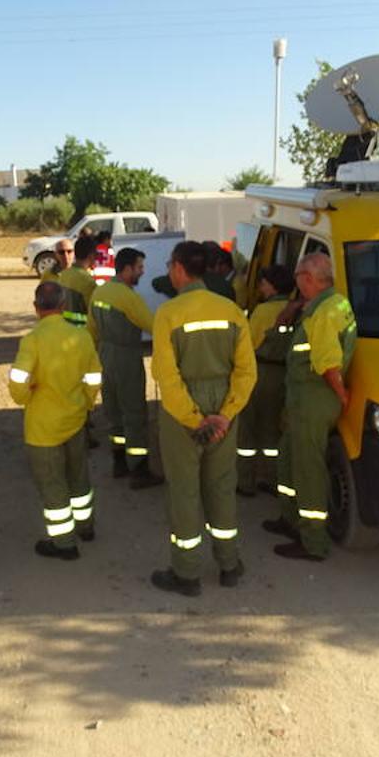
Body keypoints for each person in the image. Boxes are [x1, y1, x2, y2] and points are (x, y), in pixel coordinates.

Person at [148, 241, 257, 596]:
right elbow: (246, 372)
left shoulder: (168, 314)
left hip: (185, 410)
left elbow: (166, 375)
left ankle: (187, 573)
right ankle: (229, 564)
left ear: (180, 268)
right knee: (222, 486)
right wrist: (224, 415)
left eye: (169, 265)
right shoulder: (231, 310)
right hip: (224, 403)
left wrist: (195, 418)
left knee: (184, 490)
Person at [266, 253, 357, 562]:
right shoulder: (334, 304)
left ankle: (312, 542)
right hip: (304, 398)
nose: (297, 284)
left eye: (298, 278)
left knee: (308, 470)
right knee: (288, 459)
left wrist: (341, 396)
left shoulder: (322, 314)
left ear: (307, 278)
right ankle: (290, 520)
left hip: (313, 398)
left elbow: (329, 364)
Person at [8, 281, 103, 560]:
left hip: (43, 427)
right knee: (78, 477)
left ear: (36, 308)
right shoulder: (82, 337)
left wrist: (26, 397)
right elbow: (94, 377)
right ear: (63, 306)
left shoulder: (32, 340)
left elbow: (17, 384)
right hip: (74, 419)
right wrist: (85, 404)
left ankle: (64, 543)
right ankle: (86, 527)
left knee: (53, 485)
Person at [88, 247, 161, 488]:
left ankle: (119, 462)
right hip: (127, 356)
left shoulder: (99, 292)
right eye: (139, 267)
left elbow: (92, 329)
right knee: (134, 414)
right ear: (127, 268)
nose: (142, 272)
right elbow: (152, 326)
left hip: (105, 355)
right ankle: (139, 470)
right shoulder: (128, 297)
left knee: (115, 412)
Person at [236, 264, 295, 497]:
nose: (260, 286)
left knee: (248, 430)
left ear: (273, 285)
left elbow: (247, 346)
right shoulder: (297, 308)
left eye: (263, 282)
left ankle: (246, 482)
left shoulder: (262, 312)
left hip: (260, 373)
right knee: (273, 430)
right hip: (284, 374)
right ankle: (273, 479)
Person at [58, 234, 98, 326]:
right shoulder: (88, 282)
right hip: (80, 332)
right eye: (96, 254)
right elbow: (94, 313)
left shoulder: (64, 274)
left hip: (64, 327)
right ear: (91, 256)